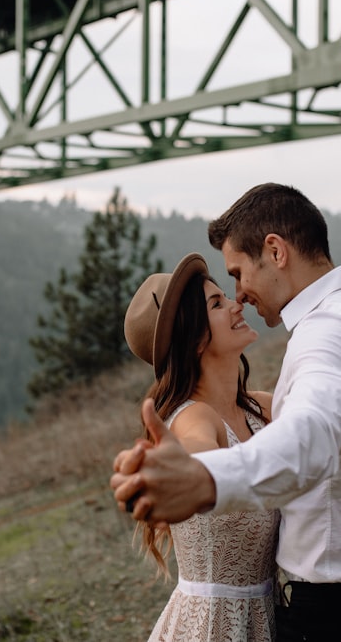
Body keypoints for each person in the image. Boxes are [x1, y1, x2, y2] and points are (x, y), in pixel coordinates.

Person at [112, 183, 341, 641]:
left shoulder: (326, 334)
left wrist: (201, 478)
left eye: (237, 273)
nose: (239, 295)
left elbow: (308, 438)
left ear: (275, 251)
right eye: (222, 292)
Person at [122, 252, 281, 641]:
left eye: (225, 295)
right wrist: (185, 469)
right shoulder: (194, 419)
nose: (236, 302)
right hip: (209, 628)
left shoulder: (261, 407)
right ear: (193, 340)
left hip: (269, 618)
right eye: (217, 303)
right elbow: (196, 451)